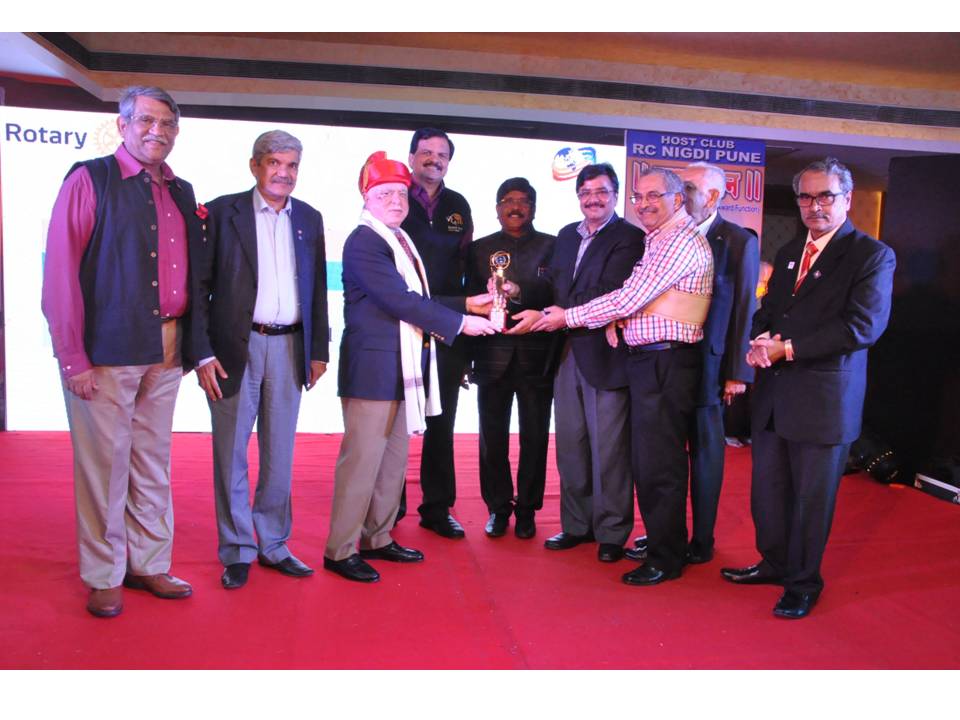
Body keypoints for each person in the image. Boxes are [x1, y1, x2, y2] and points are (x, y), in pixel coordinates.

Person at [41, 86, 201, 618]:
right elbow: (60, 275)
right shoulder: (90, 179)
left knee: (152, 463)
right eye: (147, 120)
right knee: (104, 469)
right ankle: (104, 574)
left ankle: (148, 563)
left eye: (168, 124)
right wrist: (72, 358)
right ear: (123, 124)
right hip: (107, 351)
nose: (158, 131)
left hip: (168, 347)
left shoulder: (181, 190)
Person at [721, 157, 895, 619]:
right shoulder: (789, 252)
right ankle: (774, 563)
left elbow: (862, 327)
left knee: (810, 501)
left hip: (823, 402)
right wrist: (759, 340)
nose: (814, 206)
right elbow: (769, 310)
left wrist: (789, 349)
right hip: (775, 397)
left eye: (825, 196)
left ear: (847, 199)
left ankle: (802, 583)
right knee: (769, 492)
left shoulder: (871, 255)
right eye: (805, 197)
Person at [323, 152, 497, 583]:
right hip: (373, 371)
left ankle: (377, 537)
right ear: (367, 199)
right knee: (362, 463)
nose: (396, 201)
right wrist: (461, 323)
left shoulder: (399, 239)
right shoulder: (365, 241)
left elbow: (418, 298)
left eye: (401, 194)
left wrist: (467, 304)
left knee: (392, 461)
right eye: (385, 194)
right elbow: (399, 300)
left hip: (403, 367)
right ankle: (340, 549)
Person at [537, 166, 713, 586]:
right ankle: (662, 545)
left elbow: (629, 296)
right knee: (650, 462)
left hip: (666, 362)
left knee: (659, 466)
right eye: (641, 196)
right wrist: (620, 319)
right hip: (648, 360)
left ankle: (665, 557)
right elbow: (636, 299)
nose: (645, 204)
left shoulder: (678, 240)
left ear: (677, 199)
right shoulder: (659, 238)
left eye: (654, 196)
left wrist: (569, 317)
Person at [191, 130, 329, 590]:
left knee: (279, 454)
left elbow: (316, 289)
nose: (283, 173)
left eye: (292, 165)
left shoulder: (309, 217)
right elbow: (198, 289)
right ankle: (237, 549)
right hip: (235, 348)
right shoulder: (221, 212)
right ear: (255, 166)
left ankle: (273, 543)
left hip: (290, 346)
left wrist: (318, 350)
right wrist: (201, 352)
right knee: (231, 453)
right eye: (274, 163)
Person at [627, 162, 758, 565]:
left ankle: (701, 540)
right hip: (668, 358)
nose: (680, 197)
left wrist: (736, 372)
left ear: (714, 196)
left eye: (688, 190)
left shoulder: (737, 240)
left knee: (703, 455)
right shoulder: (660, 236)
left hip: (711, 366)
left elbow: (743, 307)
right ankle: (665, 533)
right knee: (663, 455)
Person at [530, 163, 645, 563]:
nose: (593, 199)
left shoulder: (629, 237)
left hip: (606, 354)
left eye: (601, 191)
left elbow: (611, 290)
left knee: (609, 450)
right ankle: (577, 525)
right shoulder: (566, 235)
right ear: (577, 196)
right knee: (571, 445)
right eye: (586, 192)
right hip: (565, 352)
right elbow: (553, 285)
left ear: (616, 194)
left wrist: (563, 313)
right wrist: (516, 293)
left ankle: (612, 531)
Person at [465, 178, 557, 539]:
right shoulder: (478, 249)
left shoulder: (553, 246)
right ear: (497, 208)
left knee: (535, 438)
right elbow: (468, 302)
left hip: (537, 358)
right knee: (492, 439)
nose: (515, 207)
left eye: (523, 201)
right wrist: (465, 358)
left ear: (533, 207)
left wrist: (520, 291)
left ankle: (528, 509)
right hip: (490, 356)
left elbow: (557, 293)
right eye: (507, 200)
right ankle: (498, 508)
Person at [401, 128, 478, 539]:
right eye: (426, 152)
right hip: (400, 321)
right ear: (412, 157)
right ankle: (388, 507)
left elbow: (467, 269)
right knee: (394, 419)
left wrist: (467, 339)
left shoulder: (458, 205)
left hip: (448, 325)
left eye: (442, 154)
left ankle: (437, 508)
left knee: (442, 420)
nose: (434, 159)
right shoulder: (395, 195)